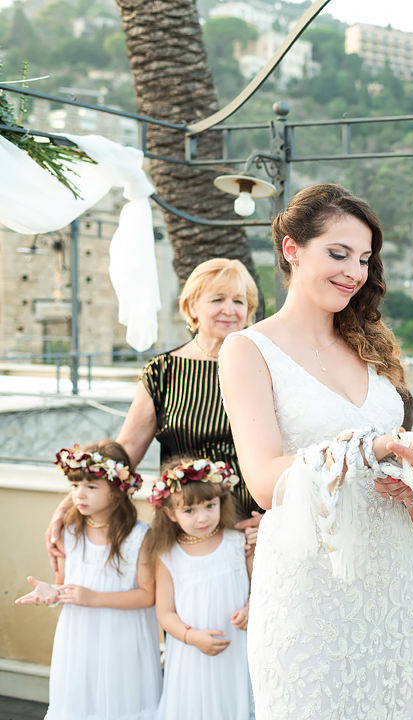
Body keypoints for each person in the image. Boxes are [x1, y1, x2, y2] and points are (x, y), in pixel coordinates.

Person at [217, 183, 413, 719]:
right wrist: (374, 445)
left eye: (365, 259)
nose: (354, 271)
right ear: (291, 249)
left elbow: (403, 483)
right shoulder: (247, 350)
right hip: (307, 587)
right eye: (338, 253)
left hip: (396, 587)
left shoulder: (371, 349)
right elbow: (264, 480)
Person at [45, 258, 264, 569]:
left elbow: (287, 449)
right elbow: (126, 454)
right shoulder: (163, 371)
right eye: (217, 299)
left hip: (251, 533)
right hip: (185, 531)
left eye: (239, 301)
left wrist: (273, 520)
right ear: (191, 307)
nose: (229, 309)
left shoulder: (263, 369)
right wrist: (66, 508)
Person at [16, 440, 161, 719]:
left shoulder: (138, 536)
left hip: (123, 638)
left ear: (118, 491)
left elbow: (147, 595)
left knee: (122, 703)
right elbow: (63, 583)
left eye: (91, 487)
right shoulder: (70, 531)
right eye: (74, 486)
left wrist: (94, 598)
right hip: (80, 637)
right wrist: (51, 593)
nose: (79, 494)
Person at [145, 458, 252, 720]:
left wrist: (252, 608)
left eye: (209, 506)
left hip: (236, 649)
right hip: (191, 654)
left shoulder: (239, 544)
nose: (202, 517)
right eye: (189, 511)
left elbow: (259, 589)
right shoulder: (168, 556)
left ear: (221, 502)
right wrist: (193, 637)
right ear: (171, 514)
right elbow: (165, 613)